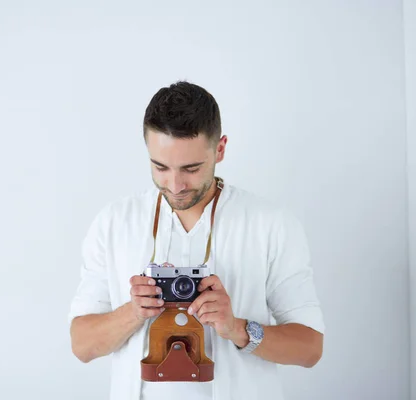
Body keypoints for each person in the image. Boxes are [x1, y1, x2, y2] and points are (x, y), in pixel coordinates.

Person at [68, 81, 325, 400]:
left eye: (191, 169)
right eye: (160, 166)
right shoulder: (114, 222)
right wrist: (134, 312)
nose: (175, 185)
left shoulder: (270, 224)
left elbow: (310, 349)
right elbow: (81, 345)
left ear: (220, 149)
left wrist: (237, 328)